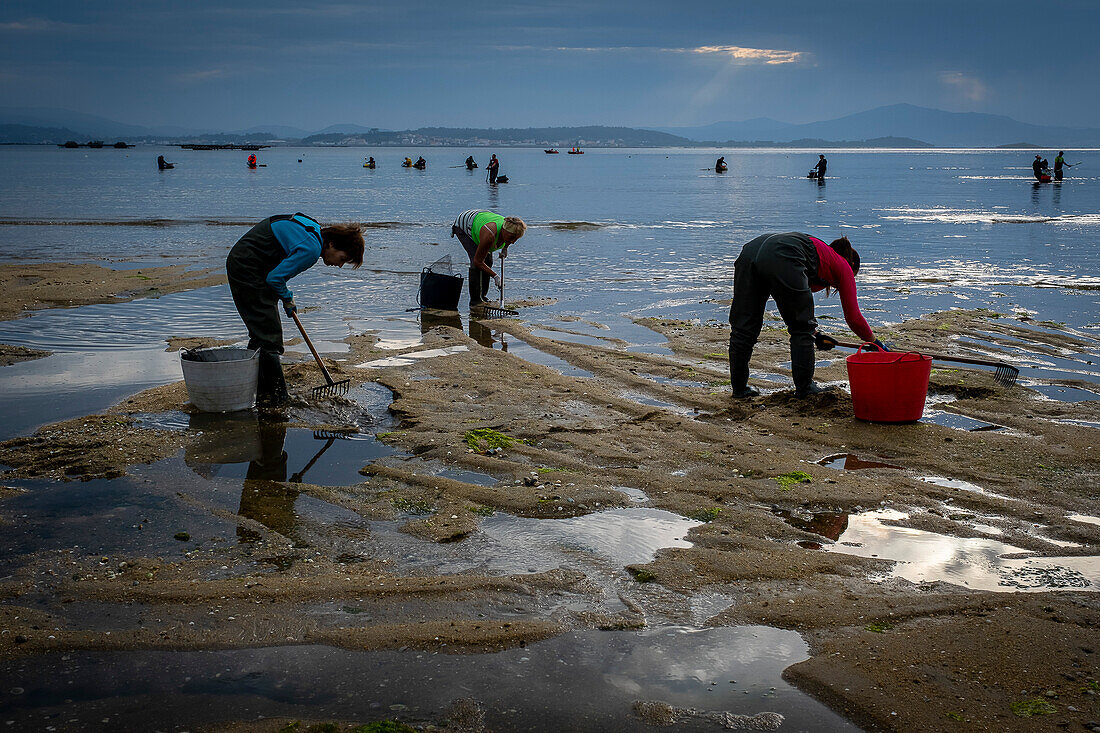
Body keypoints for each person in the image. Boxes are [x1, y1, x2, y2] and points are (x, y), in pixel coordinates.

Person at [226, 214, 364, 405]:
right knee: (269, 339)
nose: (340, 265)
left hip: (252, 264)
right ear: (332, 244)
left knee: (262, 336)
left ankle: (255, 390)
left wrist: (282, 297)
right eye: (342, 259)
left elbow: (276, 272)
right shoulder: (311, 249)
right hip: (247, 268)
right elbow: (275, 278)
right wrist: (288, 298)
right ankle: (278, 397)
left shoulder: (313, 230)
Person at [728, 232, 886, 399]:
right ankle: (805, 388)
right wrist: (875, 343)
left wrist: (816, 335)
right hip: (783, 252)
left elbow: (791, 306)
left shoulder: (820, 254)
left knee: (743, 327)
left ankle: (740, 389)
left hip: (751, 252)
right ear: (851, 264)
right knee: (802, 329)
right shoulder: (843, 265)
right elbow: (854, 318)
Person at [451, 209, 526, 307]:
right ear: (504, 231)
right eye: (512, 238)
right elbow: (478, 261)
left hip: (481, 218)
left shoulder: (509, 230)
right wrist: (496, 276)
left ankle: (483, 297)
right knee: (476, 263)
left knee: (488, 262)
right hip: (464, 224)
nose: (513, 242)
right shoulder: (489, 235)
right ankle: (475, 302)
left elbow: (509, 239)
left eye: (516, 239)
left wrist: (505, 248)